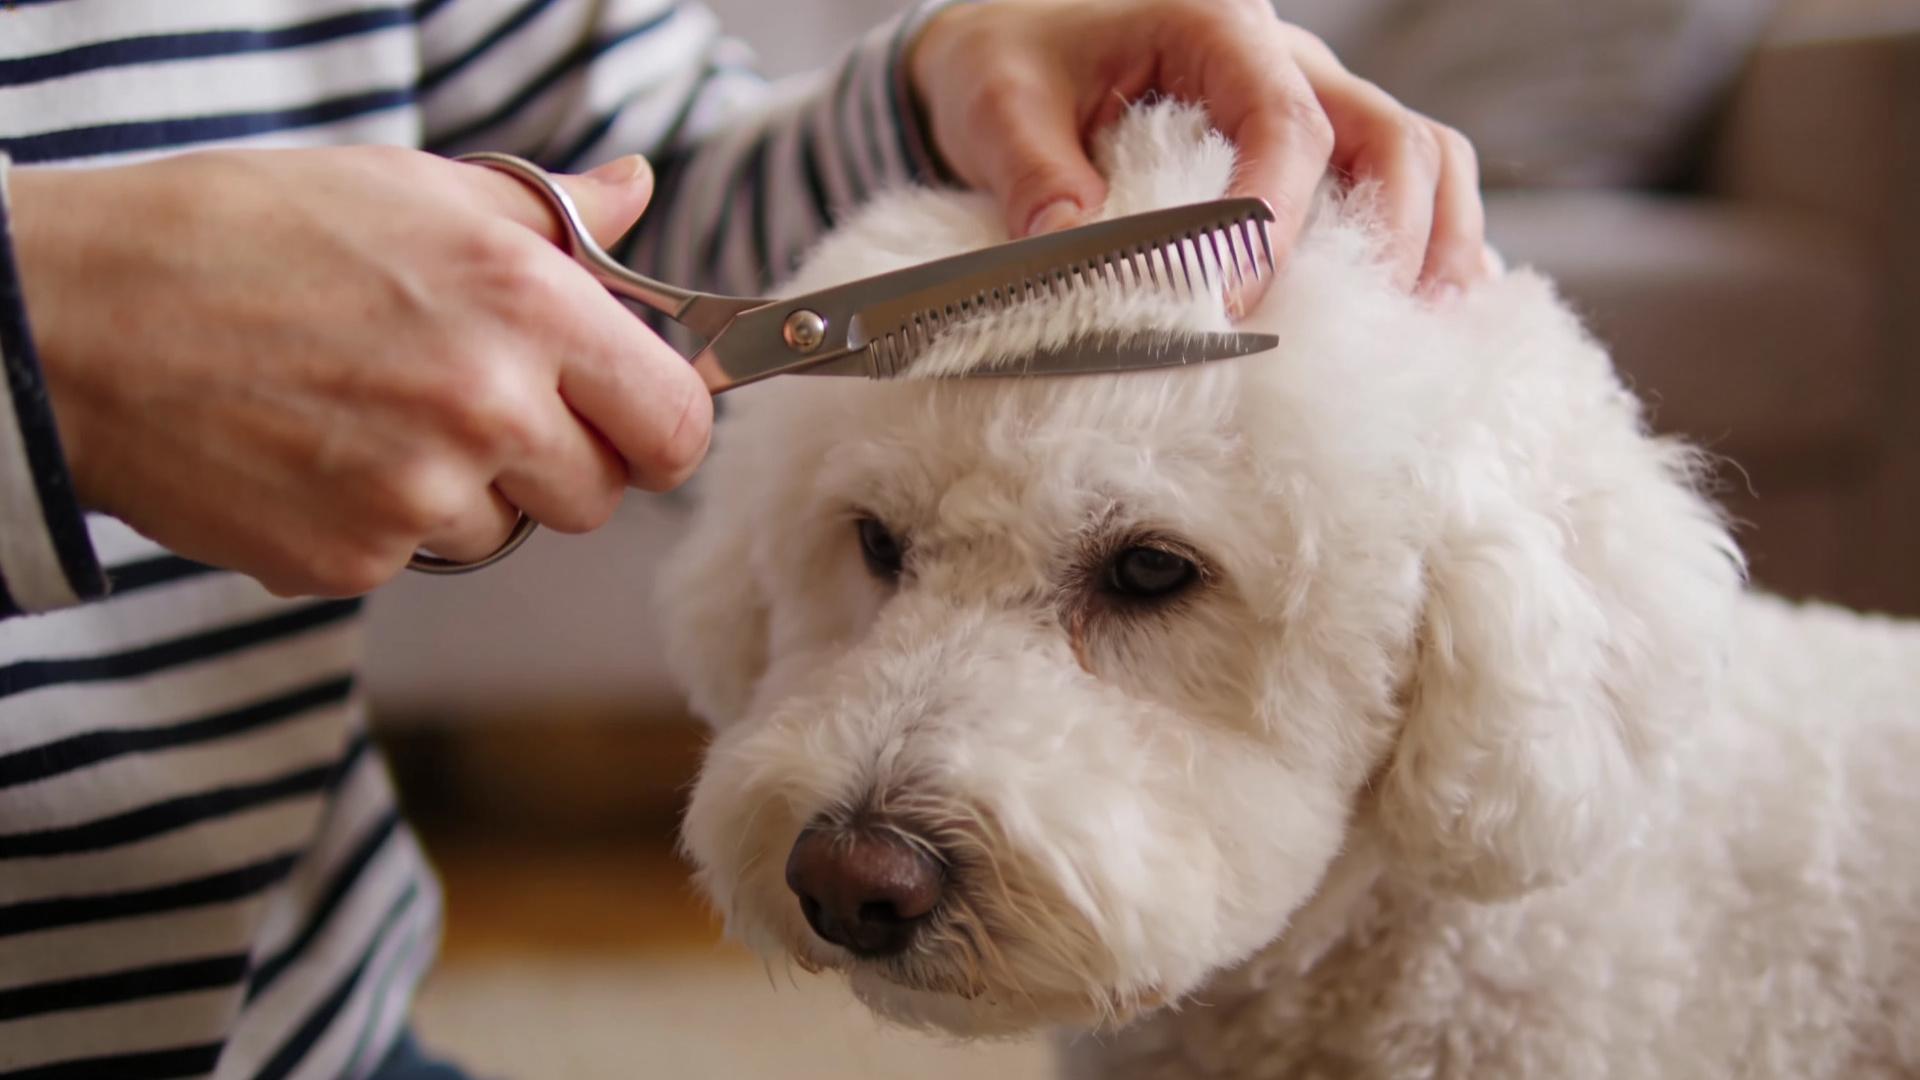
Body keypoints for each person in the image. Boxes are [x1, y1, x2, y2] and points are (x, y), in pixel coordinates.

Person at [0, 1, 1490, 1075]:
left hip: (291, 1024)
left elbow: (650, 207)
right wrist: (41, 341)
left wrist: (942, 87)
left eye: (1146, 573)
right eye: (880, 550)